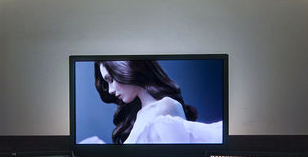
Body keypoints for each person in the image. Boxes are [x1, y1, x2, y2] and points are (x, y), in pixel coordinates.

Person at [91, 60, 222, 144]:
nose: (110, 90)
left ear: (126, 70)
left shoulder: (166, 106)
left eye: (111, 80)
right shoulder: (137, 115)